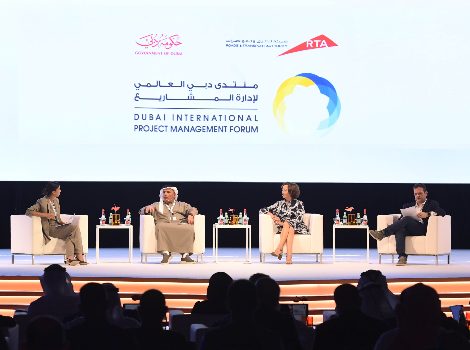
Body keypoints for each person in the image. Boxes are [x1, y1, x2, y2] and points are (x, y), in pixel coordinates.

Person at [369, 183, 446, 266]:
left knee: (406, 219)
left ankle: (383, 233)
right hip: (409, 228)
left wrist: (427, 214)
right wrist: (398, 224)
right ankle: (402, 257)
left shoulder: (432, 203)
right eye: (415, 194)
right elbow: (401, 220)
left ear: (426, 193)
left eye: (420, 193)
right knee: (400, 229)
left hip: (422, 229)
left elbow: (442, 212)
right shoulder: (408, 206)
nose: (417, 196)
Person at [26, 182, 87, 266]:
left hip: (58, 226)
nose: (60, 191)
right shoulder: (42, 201)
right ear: (53, 192)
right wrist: (45, 215)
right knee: (75, 227)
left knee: (71, 233)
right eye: (59, 189)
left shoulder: (56, 200)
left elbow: (57, 217)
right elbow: (28, 211)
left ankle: (70, 258)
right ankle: (79, 256)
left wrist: (62, 222)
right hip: (50, 229)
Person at [139, 186, 198, 264]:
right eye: (164, 192)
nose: (165, 194)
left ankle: (185, 255)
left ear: (174, 195)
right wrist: (147, 208)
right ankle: (166, 253)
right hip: (164, 224)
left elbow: (193, 209)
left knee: (188, 228)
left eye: (168, 192)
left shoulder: (182, 204)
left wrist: (191, 214)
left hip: (179, 224)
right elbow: (141, 211)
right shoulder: (157, 205)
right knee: (161, 226)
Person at [259, 182, 308, 264]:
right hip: (285, 228)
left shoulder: (299, 204)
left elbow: (299, 219)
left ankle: (279, 249)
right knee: (290, 229)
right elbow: (262, 210)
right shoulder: (279, 204)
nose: (282, 192)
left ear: (291, 192)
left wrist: (283, 223)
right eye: (282, 190)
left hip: (298, 227)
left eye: (285, 190)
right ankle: (289, 257)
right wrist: (272, 215)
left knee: (289, 226)